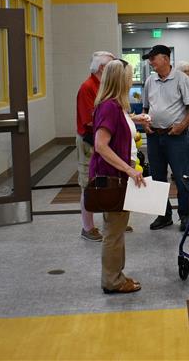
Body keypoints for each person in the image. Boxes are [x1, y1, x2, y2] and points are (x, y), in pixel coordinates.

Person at [90, 59, 148, 294]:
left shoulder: (115, 106)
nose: (131, 79)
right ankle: (112, 280)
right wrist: (128, 169)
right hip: (113, 177)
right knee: (114, 232)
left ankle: (117, 275)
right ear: (119, 79)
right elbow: (101, 146)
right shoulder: (109, 107)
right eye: (129, 75)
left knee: (117, 229)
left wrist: (134, 121)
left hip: (121, 176)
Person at [142, 45, 189, 231]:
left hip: (176, 137)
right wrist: (145, 122)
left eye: (153, 58)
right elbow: (145, 108)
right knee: (157, 178)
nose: (151, 62)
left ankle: (185, 215)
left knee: (182, 177)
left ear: (165, 59)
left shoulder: (181, 79)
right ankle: (163, 215)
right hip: (154, 137)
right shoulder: (150, 81)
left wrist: (182, 125)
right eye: (149, 59)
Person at [76, 50, 114, 241]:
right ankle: (88, 227)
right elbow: (90, 121)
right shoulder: (88, 87)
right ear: (102, 68)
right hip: (90, 141)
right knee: (88, 185)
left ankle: (111, 221)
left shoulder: (104, 86)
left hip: (104, 140)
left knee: (107, 182)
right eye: (112, 65)